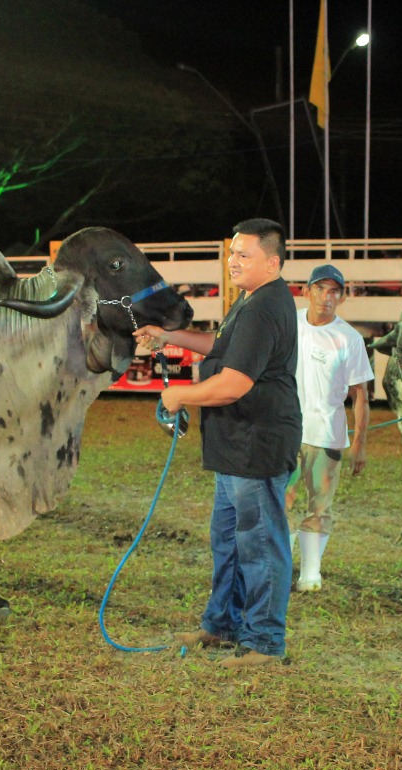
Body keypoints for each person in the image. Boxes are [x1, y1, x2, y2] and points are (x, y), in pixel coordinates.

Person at [134, 218, 300, 668]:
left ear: (273, 262)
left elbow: (233, 383)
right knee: (228, 540)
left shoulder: (265, 307)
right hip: (236, 444)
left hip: (256, 443)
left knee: (260, 544)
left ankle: (264, 643)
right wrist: (168, 335)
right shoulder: (251, 300)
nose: (233, 262)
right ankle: (223, 625)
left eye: (244, 255)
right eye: (232, 254)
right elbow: (222, 347)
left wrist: (177, 394)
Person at [284, 263, 374, 593]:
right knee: (282, 499)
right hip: (287, 431)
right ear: (306, 291)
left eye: (334, 291)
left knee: (319, 505)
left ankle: (310, 572)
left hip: (327, 436)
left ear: (342, 297)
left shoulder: (348, 339)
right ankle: (280, 567)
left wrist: (360, 442)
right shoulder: (288, 323)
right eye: (320, 289)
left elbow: (360, 394)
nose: (326, 297)